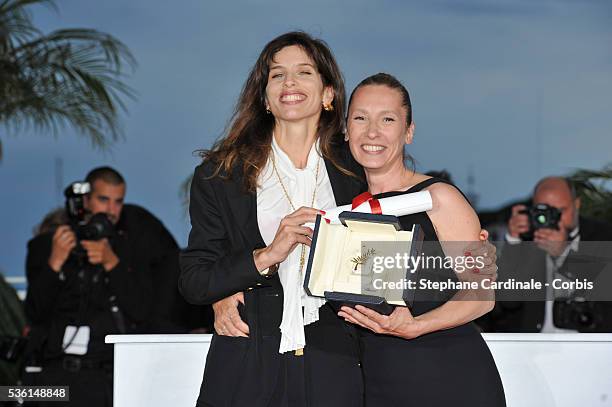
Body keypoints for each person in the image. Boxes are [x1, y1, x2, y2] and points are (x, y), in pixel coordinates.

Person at [179, 32, 366, 407]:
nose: (290, 83)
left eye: (304, 72)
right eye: (277, 75)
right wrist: (265, 256)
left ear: (328, 94)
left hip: (338, 354)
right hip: (249, 353)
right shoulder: (221, 174)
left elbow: (383, 263)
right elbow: (196, 280)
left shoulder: (361, 170)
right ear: (264, 97)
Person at [337, 73, 506, 406]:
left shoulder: (439, 198)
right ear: (345, 130)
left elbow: (482, 295)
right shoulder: (344, 210)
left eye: (388, 119)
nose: (372, 132)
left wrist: (417, 325)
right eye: (360, 118)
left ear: (408, 131)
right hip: (377, 382)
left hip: (449, 378)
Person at [23, 166, 179, 407]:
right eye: (103, 199)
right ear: (85, 199)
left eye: (118, 202)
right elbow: (34, 312)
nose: (111, 210)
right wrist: (54, 263)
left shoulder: (129, 248)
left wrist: (112, 264)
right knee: (8, 394)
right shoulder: (48, 245)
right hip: (52, 377)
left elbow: (142, 311)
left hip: (106, 378)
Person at [481, 176, 612, 332]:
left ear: (576, 204)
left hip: (588, 343)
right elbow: (509, 299)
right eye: (545, 211)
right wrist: (513, 241)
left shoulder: (604, 235)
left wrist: (564, 254)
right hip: (534, 345)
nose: (554, 219)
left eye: (560, 211)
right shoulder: (527, 239)